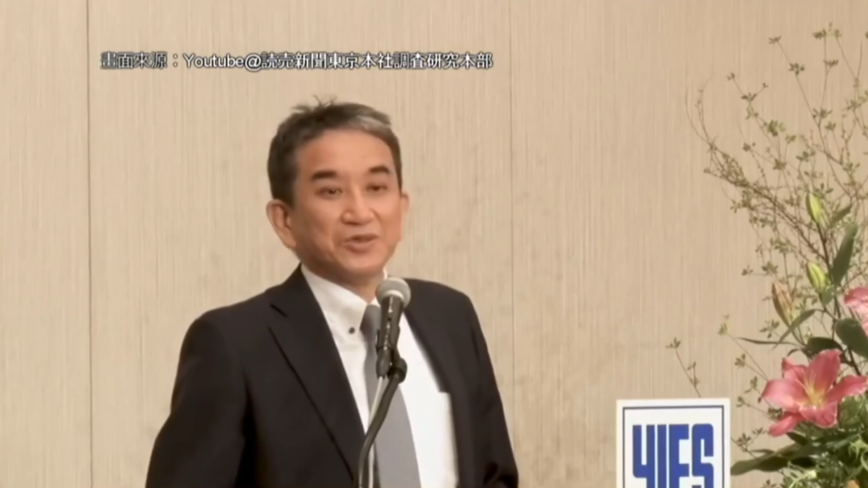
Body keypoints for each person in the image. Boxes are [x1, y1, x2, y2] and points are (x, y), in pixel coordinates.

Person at [144, 99, 519, 488]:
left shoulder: (450, 317)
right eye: (331, 191)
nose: (359, 212)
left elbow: (495, 475)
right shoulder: (236, 344)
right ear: (284, 220)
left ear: (402, 206)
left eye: (377, 188)